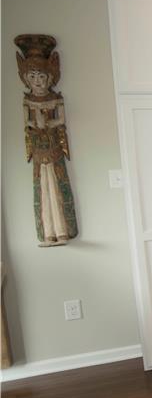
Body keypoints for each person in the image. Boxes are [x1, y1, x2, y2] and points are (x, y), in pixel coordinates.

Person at [16, 34, 78, 246]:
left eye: (41, 77)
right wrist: (38, 122)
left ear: (50, 78)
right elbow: (28, 123)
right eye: (32, 77)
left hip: (53, 147)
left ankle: (62, 231)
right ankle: (48, 231)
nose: (37, 82)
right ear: (26, 78)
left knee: (57, 186)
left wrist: (47, 123)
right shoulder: (27, 100)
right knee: (43, 189)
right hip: (39, 149)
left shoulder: (55, 98)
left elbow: (60, 119)